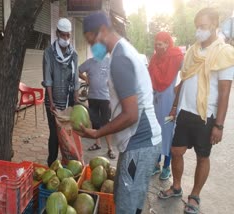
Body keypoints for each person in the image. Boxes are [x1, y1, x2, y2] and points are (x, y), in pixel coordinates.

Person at [80, 12, 161, 214]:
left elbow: (131, 114)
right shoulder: (122, 51)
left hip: (140, 143)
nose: (92, 47)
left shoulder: (120, 58)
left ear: (104, 31)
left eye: (91, 40)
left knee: (127, 207)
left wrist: (98, 133)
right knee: (125, 199)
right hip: (135, 143)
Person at [158, 8, 234, 214]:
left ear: (215, 27)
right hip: (185, 112)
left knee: (202, 156)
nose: (199, 31)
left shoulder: (224, 53)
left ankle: (195, 196)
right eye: (197, 27)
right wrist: (175, 106)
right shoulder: (192, 51)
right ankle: (176, 186)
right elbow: (184, 79)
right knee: (176, 152)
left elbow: (225, 93)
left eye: (204, 27)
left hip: (205, 116)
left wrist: (219, 125)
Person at [42, 18, 79, 167]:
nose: (65, 39)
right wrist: (51, 102)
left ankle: (67, 164)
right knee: (55, 135)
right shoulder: (49, 53)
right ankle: (51, 163)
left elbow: (76, 80)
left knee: (67, 134)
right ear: (57, 33)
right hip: (52, 101)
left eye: (67, 35)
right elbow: (48, 79)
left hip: (68, 101)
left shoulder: (74, 54)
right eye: (62, 35)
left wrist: (75, 100)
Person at [148, 32, 184, 180]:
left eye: (161, 43)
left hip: (170, 105)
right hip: (155, 103)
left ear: (168, 43)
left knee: (169, 133)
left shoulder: (176, 57)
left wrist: (179, 88)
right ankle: (156, 165)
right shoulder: (154, 59)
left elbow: (188, 73)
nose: (158, 45)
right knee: (156, 133)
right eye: (156, 43)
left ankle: (166, 167)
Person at [79, 57, 116, 159]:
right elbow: (78, 71)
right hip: (92, 97)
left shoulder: (109, 61)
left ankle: (110, 148)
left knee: (107, 124)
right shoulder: (89, 62)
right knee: (95, 122)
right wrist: (85, 78)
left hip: (106, 98)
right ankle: (98, 144)